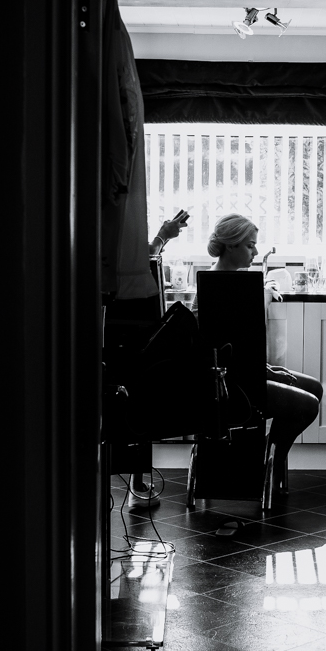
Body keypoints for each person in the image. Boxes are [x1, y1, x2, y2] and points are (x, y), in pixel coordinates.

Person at [206, 213, 324, 486]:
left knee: (314, 387)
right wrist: (263, 372)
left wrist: (266, 369)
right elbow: (222, 350)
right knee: (308, 404)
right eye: (250, 245)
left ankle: (270, 459)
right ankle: (271, 463)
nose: (256, 251)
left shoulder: (233, 281)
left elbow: (240, 342)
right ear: (231, 246)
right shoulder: (219, 285)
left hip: (243, 373)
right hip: (233, 385)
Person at [109, 209, 189, 509]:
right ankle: (136, 483)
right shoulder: (116, 248)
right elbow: (140, 263)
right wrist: (162, 235)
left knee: (135, 399)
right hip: (124, 330)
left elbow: (144, 260)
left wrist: (163, 235)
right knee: (136, 398)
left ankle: (137, 482)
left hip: (124, 330)